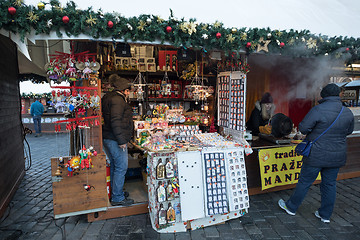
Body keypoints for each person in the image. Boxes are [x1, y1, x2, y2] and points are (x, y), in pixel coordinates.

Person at [278, 83, 354, 223]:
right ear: (338, 95)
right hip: (336, 155)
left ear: (324, 95)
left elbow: (304, 128)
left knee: (305, 181)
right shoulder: (347, 112)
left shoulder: (318, 110)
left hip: (316, 154)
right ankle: (325, 215)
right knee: (330, 184)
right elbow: (349, 131)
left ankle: (291, 207)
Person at [102, 74, 134, 206]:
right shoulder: (118, 100)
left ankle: (116, 192)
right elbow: (115, 121)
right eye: (128, 91)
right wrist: (121, 140)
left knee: (116, 166)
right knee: (121, 167)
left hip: (109, 137)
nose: (129, 94)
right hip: (115, 139)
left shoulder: (108, 97)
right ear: (124, 90)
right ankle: (117, 197)